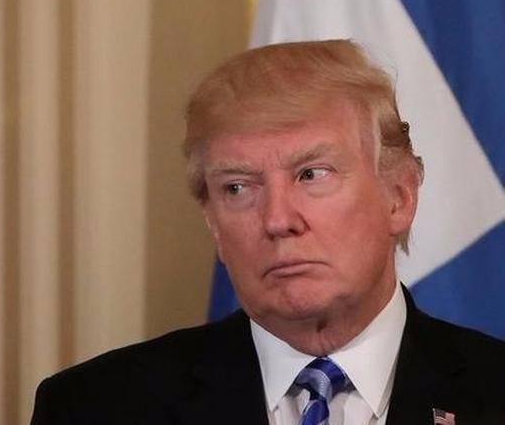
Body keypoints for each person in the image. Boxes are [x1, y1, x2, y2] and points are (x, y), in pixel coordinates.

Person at [30, 40, 505, 424]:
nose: (278, 220)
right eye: (238, 187)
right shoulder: (95, 407)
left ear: (399, 196)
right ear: (213, 223)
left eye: (311, 175)